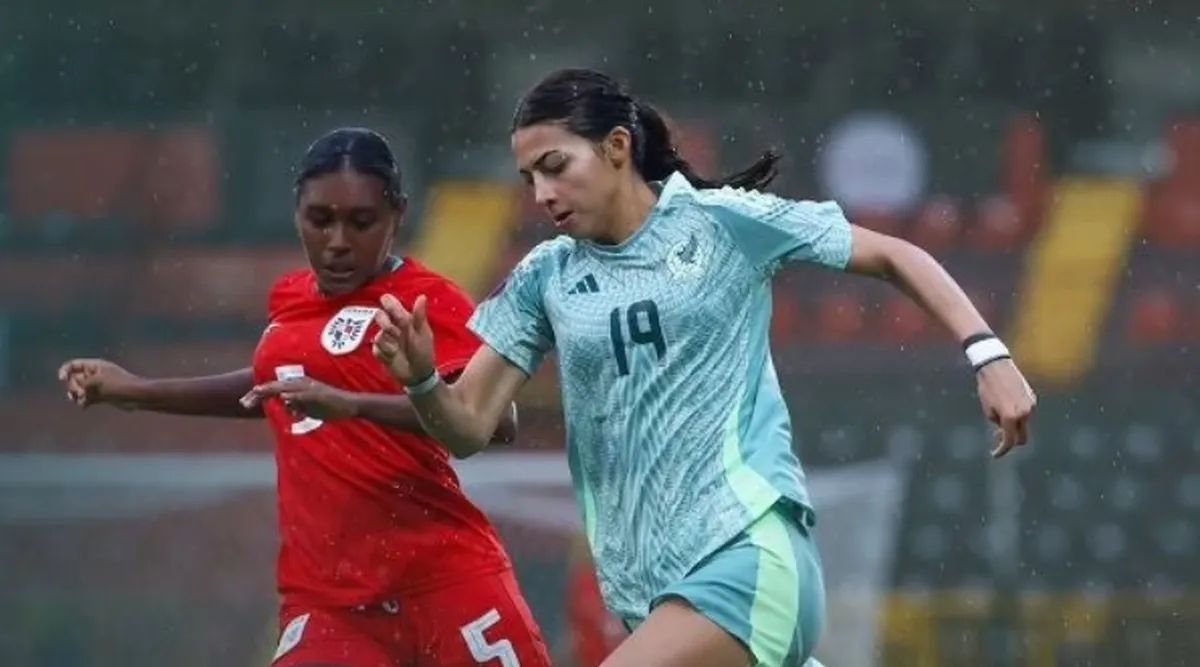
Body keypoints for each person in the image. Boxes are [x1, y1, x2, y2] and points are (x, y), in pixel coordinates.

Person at [369, 69, 1037, 667]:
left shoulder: (720, 222)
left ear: (617, 147)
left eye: (554, 165)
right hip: (651, 597)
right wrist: (423, 378)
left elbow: (894, 253)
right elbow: (465, 426)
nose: (541, 193)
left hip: (748, 558)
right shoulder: (546, 276)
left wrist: (989, 353)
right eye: (529, 178)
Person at [58, 127, 551, 667]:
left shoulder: (427, 301)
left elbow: (497, 422)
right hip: (330, 605)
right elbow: (272, 384)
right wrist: (136, 390)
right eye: (320, 220)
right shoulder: (290, 299)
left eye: (361, 222)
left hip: (443, 582)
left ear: (397, 215)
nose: (338, 240)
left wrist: (352, 403)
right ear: (297, 213)